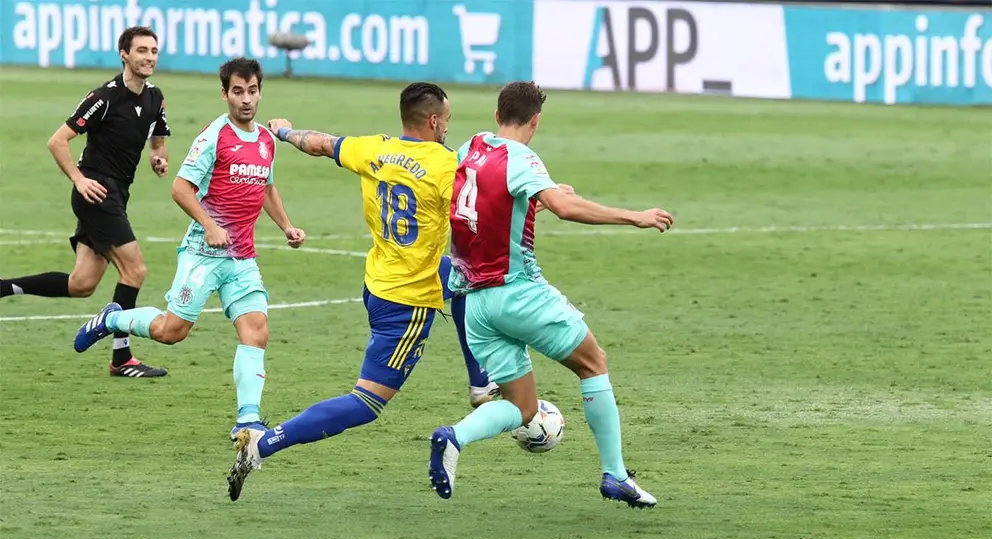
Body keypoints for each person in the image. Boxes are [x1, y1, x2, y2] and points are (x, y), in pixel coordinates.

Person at [224, 82, 497, 501]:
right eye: (446, 120)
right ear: (434, 120)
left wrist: (284, 132)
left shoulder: (374, 148)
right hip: (408, 300)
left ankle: (480, 383)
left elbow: (319, 143)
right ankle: (263, 445)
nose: (447, 127)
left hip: (378, 282)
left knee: (463, 279)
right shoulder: (447, 165)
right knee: (366, 403)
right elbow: (482, 208)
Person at [427, 81, 674, 509]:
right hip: (517, 294)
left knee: (522, 407)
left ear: (497, 114)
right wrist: (634, 216)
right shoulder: (522, 158)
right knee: (593, 363)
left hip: (476, 304)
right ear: (536, 122)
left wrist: (539, 198)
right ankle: (615, 475)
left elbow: (486, 204)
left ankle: (454, 437)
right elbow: (565, 208)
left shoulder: (472, 146)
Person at [73, 57, 305, 438]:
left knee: (256, 331)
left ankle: (247, 420)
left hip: (241, 258)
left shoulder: (265, 140)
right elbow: (180, 189)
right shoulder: (214, 136)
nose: (246, 99)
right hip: (203, 253)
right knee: (172, 331)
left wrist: (287, 226)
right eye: (238, 92)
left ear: (260, 92)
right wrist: (210, 226)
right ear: (225, 94)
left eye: (252, 91)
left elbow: (266, 188)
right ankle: (112, 319)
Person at [1, 26, 171, 378]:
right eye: (142, 50)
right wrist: (79, 180)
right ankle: (122, 358)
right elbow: (57, 141)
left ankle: (4, 287)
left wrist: (159, 158)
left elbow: (158, 138)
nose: (149, 57)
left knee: (82, 283)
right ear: (124, 54)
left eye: (154, 51)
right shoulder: (103, 97)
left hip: (117, 194)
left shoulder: (155, 97)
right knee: (135, 271)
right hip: (97, 193)